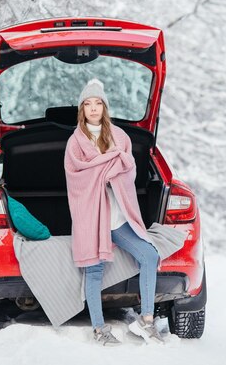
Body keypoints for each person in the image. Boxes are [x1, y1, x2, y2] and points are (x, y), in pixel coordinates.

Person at [64, 78, 165, 346]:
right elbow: (76, 179)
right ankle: (99, 329)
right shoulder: (75, 143)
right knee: (94, 272)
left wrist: (106, 168)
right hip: (91, 217)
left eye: (98, 103)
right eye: (88, 104)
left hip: (118, 218)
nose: (94, 108)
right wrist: (109, 164)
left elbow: (128, 170)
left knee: (149, 256)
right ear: (81, 109)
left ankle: (145, 321)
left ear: (105, 107)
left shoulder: (120, 137)